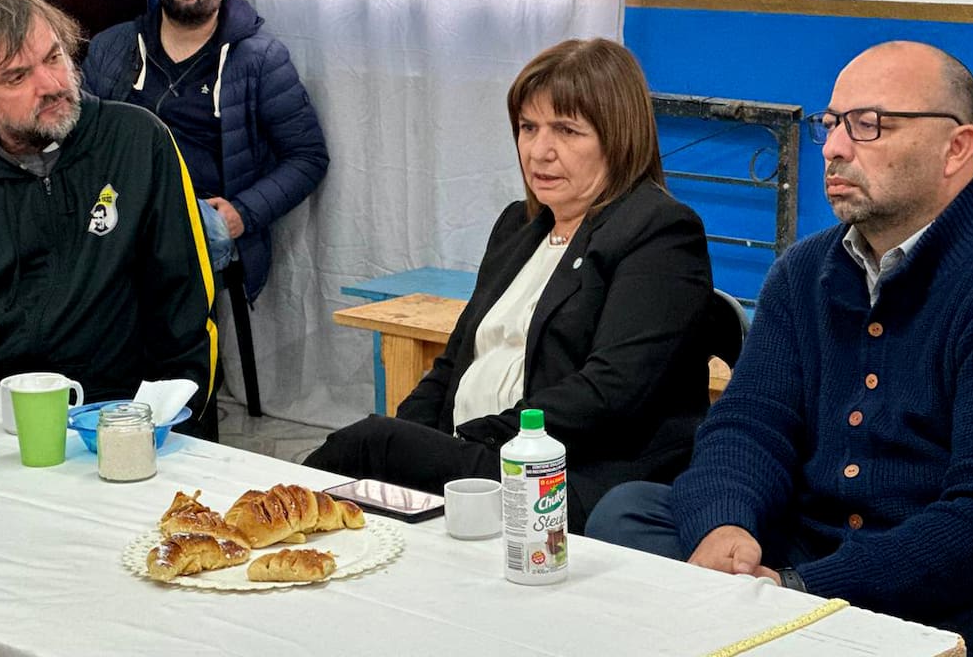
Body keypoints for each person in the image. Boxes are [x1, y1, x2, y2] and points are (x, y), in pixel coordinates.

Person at [585, 41, 973, 653]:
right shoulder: (805, 270)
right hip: (806, 552)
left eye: (869, 125)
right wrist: (726, 527)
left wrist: (801, 589)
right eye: (832, 124)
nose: (837, 148)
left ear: (957, 148)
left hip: (969, 592)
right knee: (627, 512)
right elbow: (748, 425)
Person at [305, 38, 714, 534]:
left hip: (564, 476)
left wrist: (468, 440)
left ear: (618, 137)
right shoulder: (518, 227)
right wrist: (420, 435)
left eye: (566, 130)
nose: (540, 151)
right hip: (479, 457)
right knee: (380, 458)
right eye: (528, 128)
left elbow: (611, 393)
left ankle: (262, 525)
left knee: (369, 445)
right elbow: (455, 361)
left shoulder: (660, 231)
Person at [0, 0, 220, 440]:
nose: (52, 84)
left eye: (53, 57)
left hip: (123, 418)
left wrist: (171, 418)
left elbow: (187, 312)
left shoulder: (138, 142)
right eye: (17, 77)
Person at [82, 0, 328, 303]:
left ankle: (176, 358)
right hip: (117, 204)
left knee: (148, 273)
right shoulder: (111, 47)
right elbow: (79, 140)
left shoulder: (259, 59)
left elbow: (308, 156)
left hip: (198, 217)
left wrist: (242, 213)